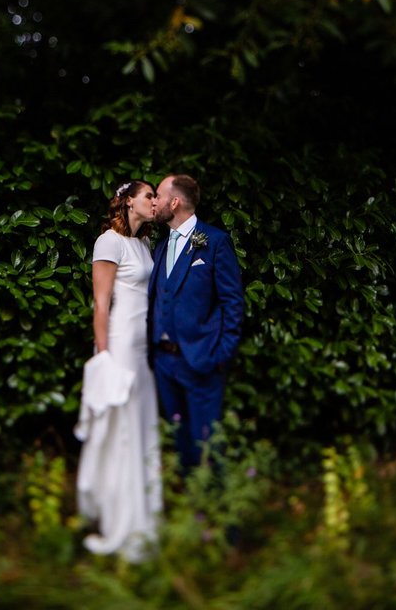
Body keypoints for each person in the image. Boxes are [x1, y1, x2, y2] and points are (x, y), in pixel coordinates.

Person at [74, 180, 162, 562]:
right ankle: (118, 520)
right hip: (121, 347)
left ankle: (143, 518)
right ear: (129, 201)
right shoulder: (108, 241)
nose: (155, 202)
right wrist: (105, 357)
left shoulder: (143, 245)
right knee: (122, 431)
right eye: (149, 196)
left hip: (142, 350)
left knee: (141, 429)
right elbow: (100, 304)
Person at [148, 174, 244, 470]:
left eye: (159, 196)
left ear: (174, 202)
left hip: (201, 359)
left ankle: (221, 508)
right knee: (182, 444)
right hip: (164, 362)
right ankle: (193, 508)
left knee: (209, 441)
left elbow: (233, 303)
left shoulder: (215, 242)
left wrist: (220, 355)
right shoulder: (161, 247)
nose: (154, 203)